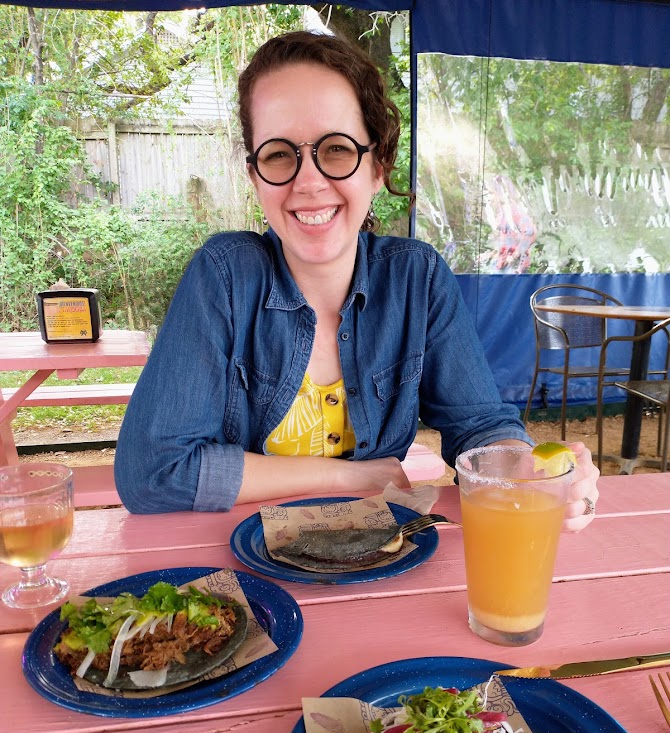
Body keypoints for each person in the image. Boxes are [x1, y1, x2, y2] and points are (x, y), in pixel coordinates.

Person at [114, 30, 599, 531]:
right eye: (279, 154)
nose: (308, 181)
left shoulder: (418, 278)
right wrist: (350, 477)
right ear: (255, 175)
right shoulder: (225, 277)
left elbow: (479, 426)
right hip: (243, 573)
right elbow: (152, 473)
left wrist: (530, 471)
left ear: (377, 165)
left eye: (337, 149)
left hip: (382, 557)